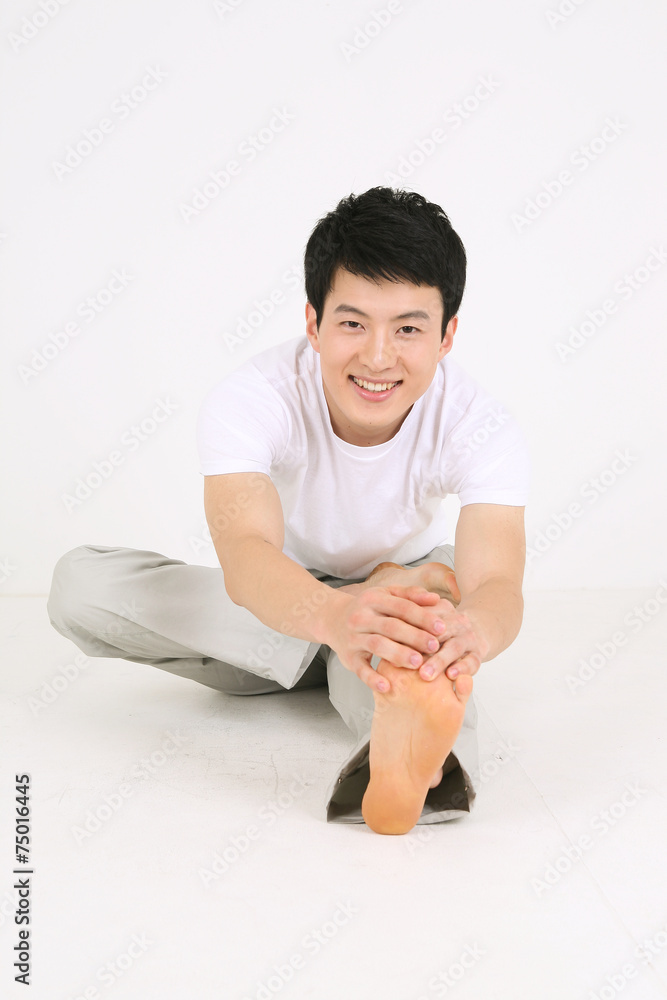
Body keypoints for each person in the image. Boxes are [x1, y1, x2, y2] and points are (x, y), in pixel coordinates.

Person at [47, 186, 530, 836]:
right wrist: (335, 616)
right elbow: (246, 555)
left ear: (446, 336)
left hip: (403, 593)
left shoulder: (479, 424)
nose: (378, 356)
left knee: (425, 645)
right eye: (352, 324)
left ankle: (417, 758)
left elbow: (497, 581)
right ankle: (356, 656)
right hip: (278, 598)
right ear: (313, 323)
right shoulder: (254, 397)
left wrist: (472, 634)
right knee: (80, 587)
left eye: (408, 329)